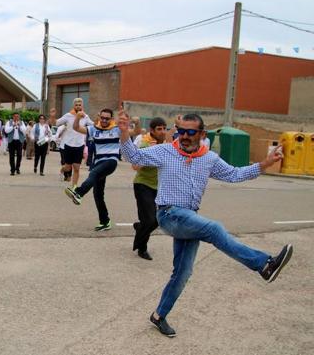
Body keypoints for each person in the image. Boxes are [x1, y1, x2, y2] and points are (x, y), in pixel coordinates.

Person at [118, 111, 293, 338]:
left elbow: (234, 174)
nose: (185, 136)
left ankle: (159, 315)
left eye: (191, 132)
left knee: (183, 272)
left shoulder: (208, 158)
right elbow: (134, 157)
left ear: (201, 133)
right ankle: (264, 264)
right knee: (214, 229)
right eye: (181, 132)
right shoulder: (165, 151)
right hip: (169, 215)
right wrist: (124, 134)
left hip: (190, 219)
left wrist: (264, 164)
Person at [65, 108, 120, 231]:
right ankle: (105, 221)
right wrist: (78, 118)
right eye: (103, 117)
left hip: (111, 161)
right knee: (98, 194)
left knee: (94, 174)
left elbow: (134, 132)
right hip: (98, 162)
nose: (105, 120)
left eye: (107, 118)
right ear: (99, 116)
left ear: (111, 119)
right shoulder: (94, 129)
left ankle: (79, 193)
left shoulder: (116, 129)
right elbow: (76, 128)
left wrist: (136, 125)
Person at [131, 117, 169, 260]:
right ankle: (142, 248)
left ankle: (139, 228)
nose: (163, 131)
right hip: (143, 184)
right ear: (152, 130)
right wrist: (151, 152)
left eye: (164, 128)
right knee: (150, 220)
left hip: (158, 187)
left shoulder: (165, 145)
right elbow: (135, 167)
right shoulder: (145, 143)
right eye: (159, 129)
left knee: (158, 219)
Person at [56, 98, 94, 188]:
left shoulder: (85, 117)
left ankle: (74, 187)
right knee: (68, 167)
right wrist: (53, 117)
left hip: (79, 145)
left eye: (79, 105)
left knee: (76, 168)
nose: (78, 106)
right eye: (76, 105)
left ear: (82, 106)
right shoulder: (68, 115)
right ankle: (62, 170)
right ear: (74, 106)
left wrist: (99, 120)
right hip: (68, 145)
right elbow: (57, 123)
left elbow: (93, 125)